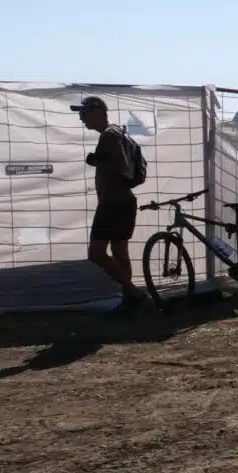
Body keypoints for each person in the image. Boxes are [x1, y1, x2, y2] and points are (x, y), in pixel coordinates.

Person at [72, 96, 148, 314]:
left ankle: (133, 293)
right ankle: (130, 302)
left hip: (113, 202)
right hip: (123, 201)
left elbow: (122, 165)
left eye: (84, 113)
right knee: (120, 253)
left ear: (98, 112)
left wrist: (97, 160)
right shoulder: (116, 132)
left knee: (96, 253)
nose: (81, 118)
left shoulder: (109, 135)